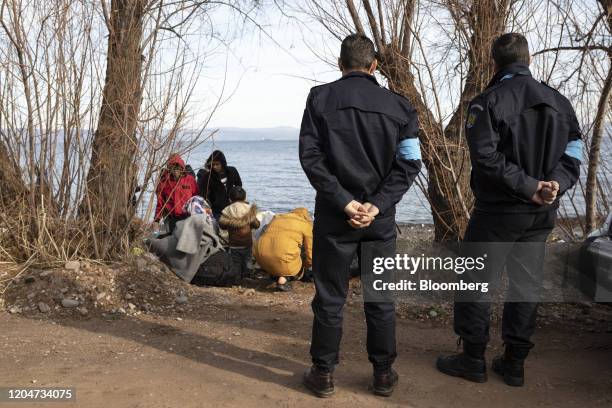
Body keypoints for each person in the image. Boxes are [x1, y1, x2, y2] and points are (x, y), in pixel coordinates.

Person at [436, 33, 582, 387]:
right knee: (526, 285)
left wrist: (534, 187)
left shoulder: (486, 102)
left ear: (494, 62)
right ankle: (514, 362)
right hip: (541, 213)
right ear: (528, 60)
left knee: (475, 282)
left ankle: (473, 360)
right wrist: (554, 185)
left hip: (499, 213)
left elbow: (485, 158)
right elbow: (575, 150)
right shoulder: (559, 101)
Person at [299, 34, 421, 398]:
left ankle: (323, 375)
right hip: (378, 221)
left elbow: (311, 158)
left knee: (330, 297)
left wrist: (344, 201)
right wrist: (376, 205)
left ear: (340, 64)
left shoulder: (320, 98)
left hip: (336, 218)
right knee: (380, 299)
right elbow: (409, 163)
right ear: (374, 66)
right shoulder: (400, 107)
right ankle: (383, 374)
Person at [252, 208, 313, 292]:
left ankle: (272, 273)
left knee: (279, 253)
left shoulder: (278, 217)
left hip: (260, 259)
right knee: (296, 259)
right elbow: (310, 252)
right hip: (282, 261)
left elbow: (263, 232)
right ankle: (283, 280)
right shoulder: (305, 224)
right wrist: (306, 265)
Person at [218, 186, 260, 280]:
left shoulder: (227, 210)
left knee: (236, 263)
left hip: (233, 245)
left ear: (230, 198)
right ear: (244, 198)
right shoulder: (249, 209)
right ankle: (247, 276)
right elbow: (256, 225)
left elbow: (222, 226)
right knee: (248, 261)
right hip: (247, 244)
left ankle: (237, 278)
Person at [155, 154, 199, 233]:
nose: (175, 171)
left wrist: (197, 215)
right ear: (169, 168)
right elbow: (160, 202)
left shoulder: (190, 180)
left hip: (188, 217)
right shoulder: (164, 182)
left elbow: (196, 198)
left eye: (178, 168)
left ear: (182, 168)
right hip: (171, 217)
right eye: (173, 168)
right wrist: (157, 219)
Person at [197, 150, 242, 219]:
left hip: (233, 208)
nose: (214, 167)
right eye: (213, 164)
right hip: (217, 211)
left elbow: (239, 185)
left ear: (222, 163)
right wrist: (208, 207)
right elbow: (203, 194)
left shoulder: (232, 171)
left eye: (217, 164)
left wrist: (236, 198)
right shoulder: (207, 176)